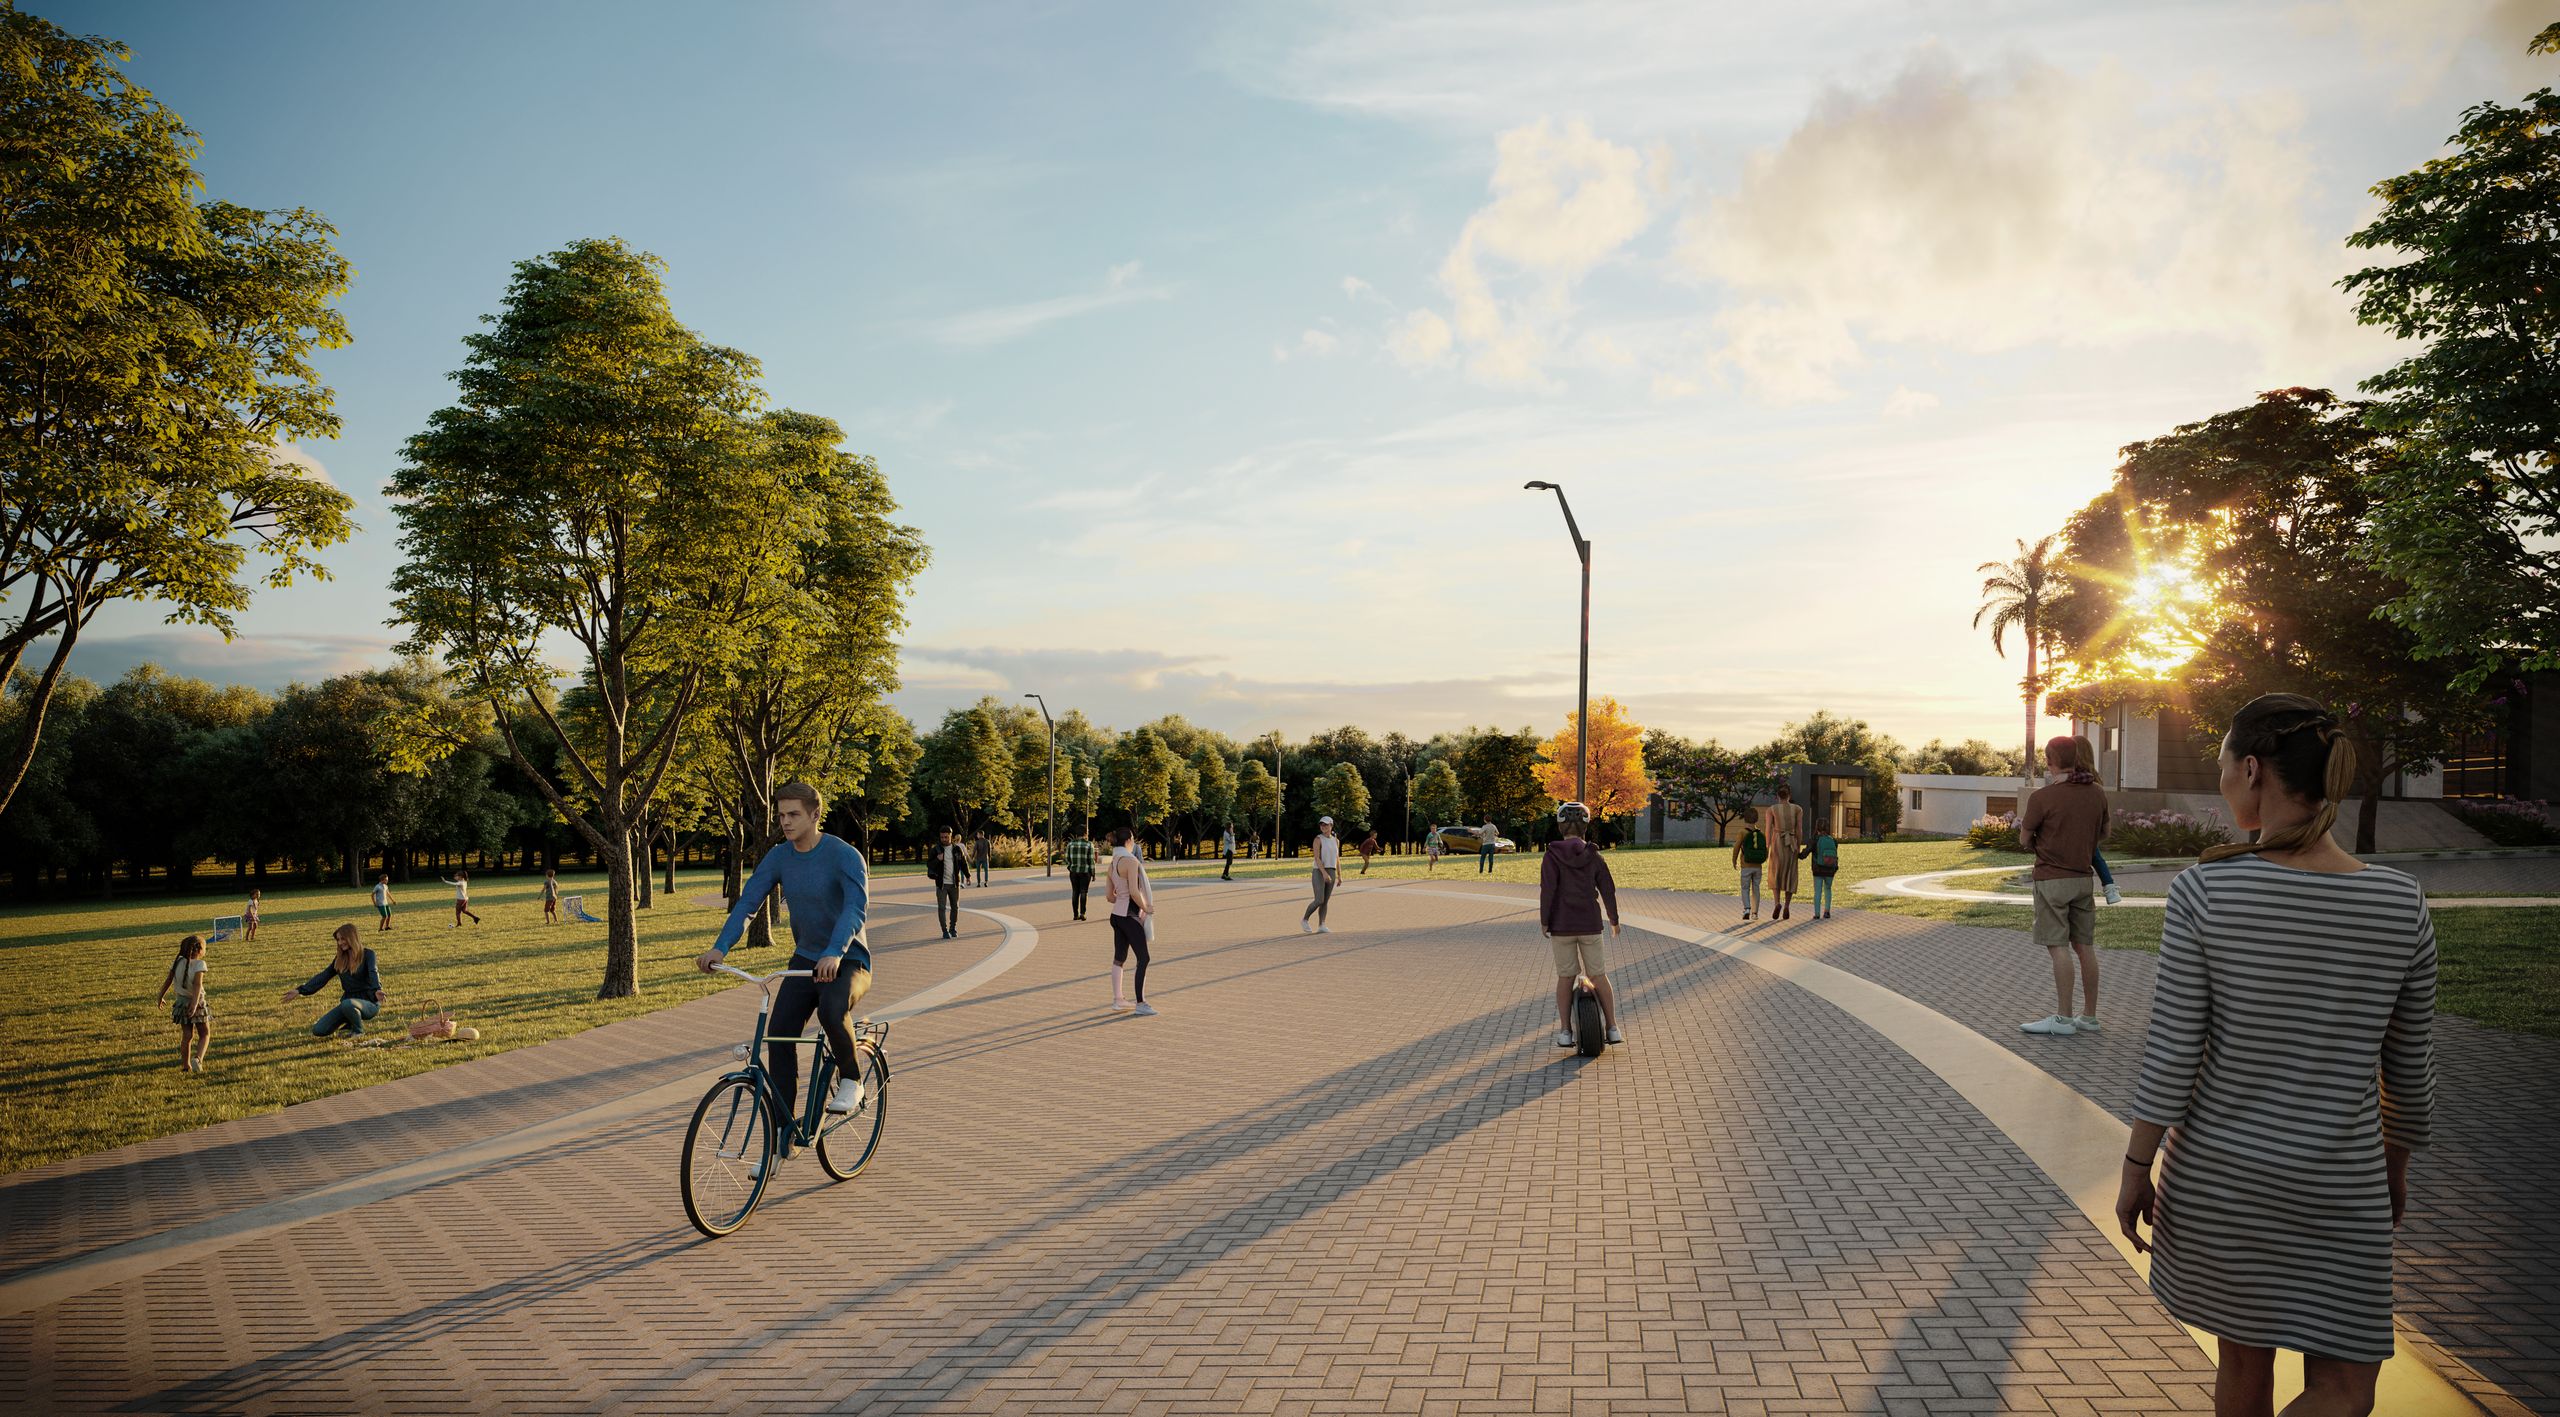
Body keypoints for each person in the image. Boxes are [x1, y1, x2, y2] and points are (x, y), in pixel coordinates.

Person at [2116, 693, 2436, 1417]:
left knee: (2243, 1365)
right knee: (2346, 1390)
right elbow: (2408, 1073)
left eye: (2224, 766)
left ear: (2253, 770)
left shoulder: (2205, 890)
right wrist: (2392, 1170)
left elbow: (2173, 1053)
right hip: (2343, 1184)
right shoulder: (2401, 903)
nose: (2223, 781)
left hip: (2221, 1182)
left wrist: (2137, 1167)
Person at [695, 781, 873, 1172]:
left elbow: (854, 910)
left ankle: (851, 1079)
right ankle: (781, 1139)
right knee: (779, 1036)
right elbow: (748, 903)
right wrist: (719, 948)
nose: (785, 822)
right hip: (806, 959)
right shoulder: (779, 857)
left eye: (793, 814)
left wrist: (834, 952)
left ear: (815, 814)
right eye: (780, 815)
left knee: (831, 1010)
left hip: (849, 960)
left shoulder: (845, 856)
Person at [2017, 735, 2108, 1036]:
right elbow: (2103, 834)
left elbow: (2024, 839)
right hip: (2083, 880)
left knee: (2058, 948)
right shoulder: (2097, 793)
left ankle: (2064, 1019)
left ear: (2049, 760)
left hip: (2052, 880)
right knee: (2085, 948)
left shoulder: (2042, 798)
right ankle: (2090, 1017)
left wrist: (2046, 844)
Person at [1539, 802, 1623, 1046]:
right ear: (1586, 826)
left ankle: (1565, 1032)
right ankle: (1612, 1028)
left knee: (1566, 977)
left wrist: (1545, 921)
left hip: (1561, 926)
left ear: (1560, 826)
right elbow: (1608, 890)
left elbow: (1548, 890)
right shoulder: (1594, 855)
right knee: (1598, 974)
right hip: (1590, 924)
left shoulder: (1551, 856)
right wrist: (1614, 919)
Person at [286, 923, 384, 1037]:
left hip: (369, 1002)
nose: (340, 942)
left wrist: (377, 989)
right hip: (348, 1004)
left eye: (343, 939)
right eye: (338, 940)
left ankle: (358, 1031)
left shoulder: (368, 954)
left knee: (347, 1004)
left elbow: (373, 971)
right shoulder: (340, 959)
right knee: (319, 1030)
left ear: (352, 937)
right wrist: (300, 990)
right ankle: (350, 1023)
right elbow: (323, 976)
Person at [1103, 827, 1156, 1015]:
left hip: (1116, 916)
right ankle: (1141, 1003)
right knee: (1144, 958)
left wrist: (1122, 897)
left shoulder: (1113, 863)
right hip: (1129, 916)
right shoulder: (1131, 861)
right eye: (1133, 838)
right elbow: (1134, 891)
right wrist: (1146, 907)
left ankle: (1118, 1000)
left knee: (1119, 958)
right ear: (1129, 840)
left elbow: (1109, 896)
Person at [2071, 736, 2125, 905]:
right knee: (2096, 855)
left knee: (2095, 855)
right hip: (2090, 826)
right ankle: (2109, 886)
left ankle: (2109, 886)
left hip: (2077, 823)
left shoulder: (2076, 777)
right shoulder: (2094, 778)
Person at [158, 933, 212, 1072]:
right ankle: (198, 1059)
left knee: (187, 1036)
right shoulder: (200, 964)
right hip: (197, 1003)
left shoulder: (177, 962)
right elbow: (197, 985)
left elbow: (168, 980)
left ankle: (186, 1065)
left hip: (181, 1004)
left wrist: (160, 996)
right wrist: (194, 1005)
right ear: (199, 950)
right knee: (205, 1034)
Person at [1760, 785, 1805, 920]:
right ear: (1789, 796)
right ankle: (1786, 906)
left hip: (1777, 842)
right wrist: (1798, 845)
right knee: (1790, 874)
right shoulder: (1797, 809)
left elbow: (1768, 829)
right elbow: (1799, 830)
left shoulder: (1771, 809)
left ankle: (1777, 903)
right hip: (1791, 844)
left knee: (1776, 873)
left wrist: (1767, 845)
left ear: (1778, 797)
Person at [1301, 816, 1342, 934]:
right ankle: (1305, 919)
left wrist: (1339, 875)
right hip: (1319, 871)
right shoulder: (1318, 839)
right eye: (1321, 824)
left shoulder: (1336, 840)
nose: (1323, 826)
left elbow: (1337, 859)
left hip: (1331, 871)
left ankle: (1322, 925)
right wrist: (1324, 873)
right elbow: (1317, 858)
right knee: (1319, 899)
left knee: (1325, 901)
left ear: (1331, 826)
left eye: (1326, 824)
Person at [925, 826, 967, 939]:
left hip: (954, 883)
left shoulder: (957, 849)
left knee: (955, 907)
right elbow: (929, 864)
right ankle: (944, 931)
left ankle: (953, 929)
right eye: (942, 837)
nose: (944, 839)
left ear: (950, 836)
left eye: (946, 837)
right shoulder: (936, 850)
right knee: (942, 908)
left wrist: (967, 875)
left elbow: (963, 862)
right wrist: (937, 859)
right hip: (941, 884)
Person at [1732, 813, 1767, 920]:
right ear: (1756, 819)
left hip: (1746, 865)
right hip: (1758, 866)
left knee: (1745, 888)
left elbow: (1737, 847)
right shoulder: (1761, 833)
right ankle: (1755, 913)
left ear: (1745, 819)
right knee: (1756, 888)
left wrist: (1734, 860)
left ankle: (1747, 908)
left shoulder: (1742, 832)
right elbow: (1765, 849)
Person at [1063, 827, 1097, 920]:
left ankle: (1075, 914)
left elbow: (1066, 858)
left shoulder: (1070, 844)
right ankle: (1082, 913)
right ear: (1085, 833)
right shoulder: (1089, 844)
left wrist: (1071, 866)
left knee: (1075, 892)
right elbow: (1091, 860)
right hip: (1085, 872)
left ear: (1076, 834)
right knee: (1083, 892)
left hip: (1073, 872)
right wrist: (1093, 873)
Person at [1807, 825, 1840, 919]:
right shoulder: (1833, 840)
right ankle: (1827, 911)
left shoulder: (1815, 840)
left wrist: (1799, 856)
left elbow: (1806, 851)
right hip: (1830, 869)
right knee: (1828, 889)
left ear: (1817, 829)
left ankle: (1817, 914)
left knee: (1817, 891)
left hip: (1818, 869)